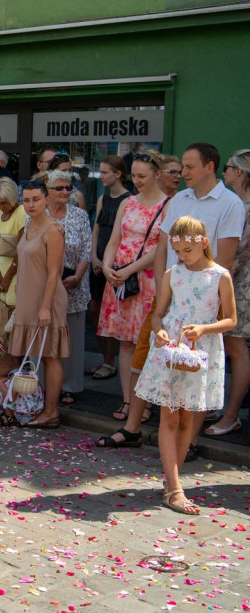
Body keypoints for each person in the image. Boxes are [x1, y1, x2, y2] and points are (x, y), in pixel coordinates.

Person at [99, 144, 243, 456]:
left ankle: (189, 441)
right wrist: (166, 284)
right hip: (169, 292)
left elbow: (226, 259)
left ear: (209, 167)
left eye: (189, 167)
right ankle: (132, 428)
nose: (181, 173)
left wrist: (205, 297)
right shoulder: (180, 199)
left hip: (203, 299)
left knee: (194, 370)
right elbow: (163, 246)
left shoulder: (230, 203)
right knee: (147, 359)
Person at [134, 216, 235, 515]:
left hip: (201, 350)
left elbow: (231, 319)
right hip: (172, 349)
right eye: (177, 252)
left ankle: (171, 482)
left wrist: (204, 329)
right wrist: (159, 330)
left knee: (188, 421)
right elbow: (158, 313)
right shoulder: (171, 274)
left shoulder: (220, 275)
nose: (182, 257)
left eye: (186, 251)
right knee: (170, 418)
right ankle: (175, 488)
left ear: (203, 243)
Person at [97, 154, 169, 424]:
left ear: (156, 175)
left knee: (147, 343)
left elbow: (159, 249)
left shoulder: (167, 205)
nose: (136, 181)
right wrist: (107, 267)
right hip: (120, 279)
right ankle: (129, 399)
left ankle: (145, 401)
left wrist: (128, 269)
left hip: (147, 279)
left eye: (142, 176)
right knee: (125, 343)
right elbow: (115, 238)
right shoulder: (127, 203)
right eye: (134, 176)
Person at [7, 179, 69, 429]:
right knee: (38, 354)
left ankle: (52, 412)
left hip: (47, 298)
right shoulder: (29, 224)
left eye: (35, 199)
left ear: (46, 200)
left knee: (50, 355)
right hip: (27, 296)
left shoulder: (53, 230)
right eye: (27, 199)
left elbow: (54, 272)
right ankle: (38, 406)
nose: (31, 204)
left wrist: (45, 307)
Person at [207, 148, 250, 437]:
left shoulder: (245, 206)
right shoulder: (237, 204)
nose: (224, 173)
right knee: (224, 347)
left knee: (235, 347)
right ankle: (219, 407)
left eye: (228, 168)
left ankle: (232, 414)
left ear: (240, 172)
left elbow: (241, 254)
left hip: (239, 283)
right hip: (228, 279)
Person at [46, 170, 92, 404]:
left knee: (71, 336)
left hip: (73, 283)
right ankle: (42, 384)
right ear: (49, 190)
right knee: (45, 335)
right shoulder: (37, 214)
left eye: (68, 187)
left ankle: (68, 386)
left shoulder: (79, 216)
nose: (65, 192)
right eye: (59, 188)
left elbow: (86, 250)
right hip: (45, 285)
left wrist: (78, 275)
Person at [88, 156, 131, 381]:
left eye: (105, 172)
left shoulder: (129, 200)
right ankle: (105, 357)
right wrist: (94, 257)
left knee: (112, 313)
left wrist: (109, 262)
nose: (101, 176)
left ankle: (111, 361)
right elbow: (96, 229)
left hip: (115, 266)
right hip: (98, 264)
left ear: (118, 174)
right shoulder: (103, 198)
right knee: (95, 310)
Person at [0, 177, 26, 308]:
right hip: (3, 267)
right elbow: (0, 245)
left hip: (17, 272)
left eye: (3, 203)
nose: (0, 207)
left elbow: (21, 250)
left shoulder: (22, 213)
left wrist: (7, 277)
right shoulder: (0, 212)